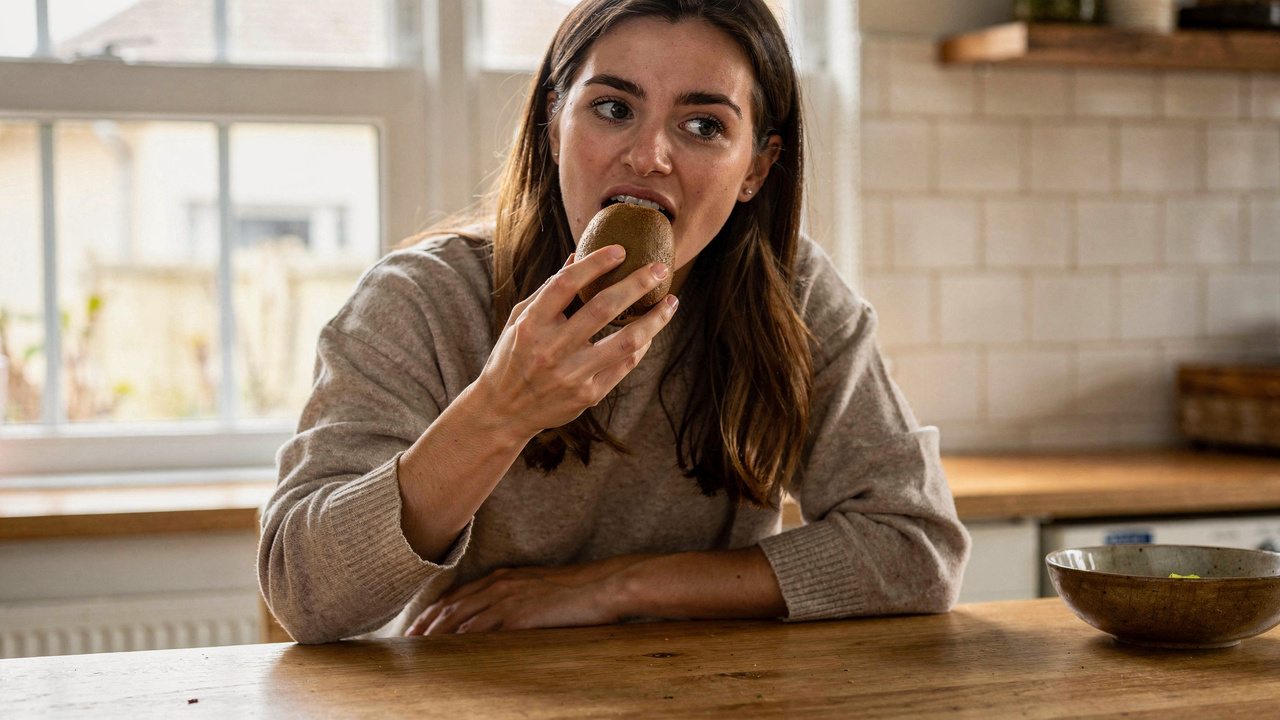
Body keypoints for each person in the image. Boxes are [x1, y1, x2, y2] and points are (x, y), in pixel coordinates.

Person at [258, 0, 970, 644]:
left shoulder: (795, 297)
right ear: (553, 123)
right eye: (612, 108)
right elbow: (305, 595)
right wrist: (499, 412)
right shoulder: (422, 301)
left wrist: (617, 588)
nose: (648, 156)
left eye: (703, 125)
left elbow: (917, 548)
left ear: (757, 168)